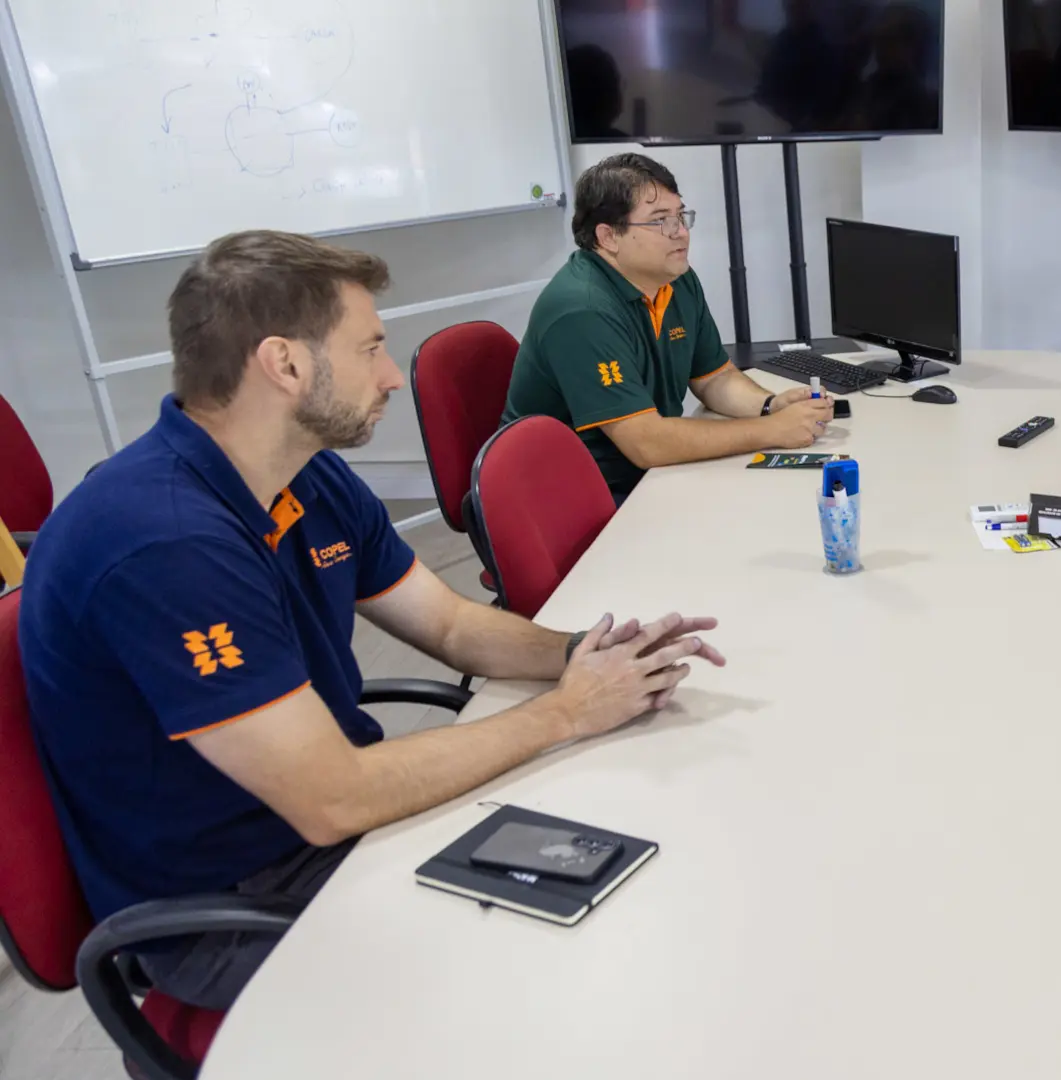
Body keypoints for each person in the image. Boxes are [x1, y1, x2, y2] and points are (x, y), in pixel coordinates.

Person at [19, 230, 725, 1010]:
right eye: (370, 350)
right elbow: (332, 799)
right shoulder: (163, 543)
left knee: (634, 843)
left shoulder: (305, 473)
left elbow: (451, 627)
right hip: (233, 907)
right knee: (564, 980)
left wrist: (589, 655)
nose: (393, 377)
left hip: (333, 837)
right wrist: (565, 713)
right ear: (284, 364)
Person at [502, 153, 833, 501]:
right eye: (661, 221)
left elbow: (713, 377)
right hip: (571, 497)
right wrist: (772, 430)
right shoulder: (581, 310)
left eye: (681, 216)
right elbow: (646, 442)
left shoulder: (675, 279)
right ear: (609, 237)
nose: (682, 234)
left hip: (647, 475)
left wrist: (771, 406)